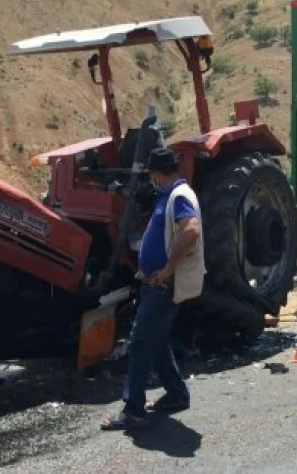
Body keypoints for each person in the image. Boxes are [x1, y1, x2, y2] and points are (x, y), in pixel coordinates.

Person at [102, 147, 205, 431]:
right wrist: (146, 269)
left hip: (164, 286)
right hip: (154, 282)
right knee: (156, 342)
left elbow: (191, 229)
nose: (152, 179)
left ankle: (133, 410)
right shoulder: (169, 195)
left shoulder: (179, 196)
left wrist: (169, 268)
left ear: (157, 174)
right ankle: (176, 394)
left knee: (139, 344)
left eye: (152, 174)